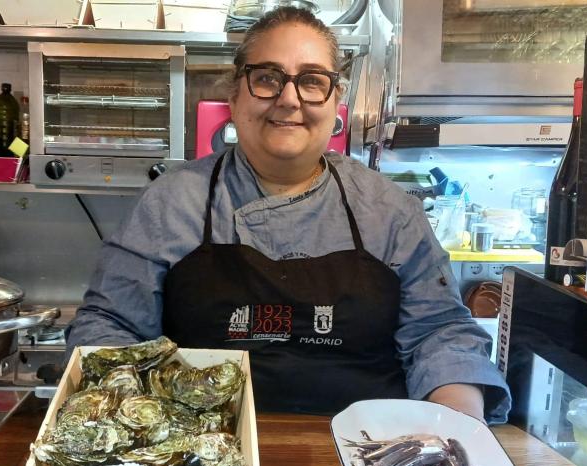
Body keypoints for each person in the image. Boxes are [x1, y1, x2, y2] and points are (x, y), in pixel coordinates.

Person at [66, 7, 510, 423]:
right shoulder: (170, 203)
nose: (289, 99)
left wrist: (458, 434)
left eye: (312, 81)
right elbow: (112, 328)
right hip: (199, 453)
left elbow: (440, 335)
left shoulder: (390, 211)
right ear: (235, 94)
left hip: (368, 455)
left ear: (335, 100)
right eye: (268, 78)